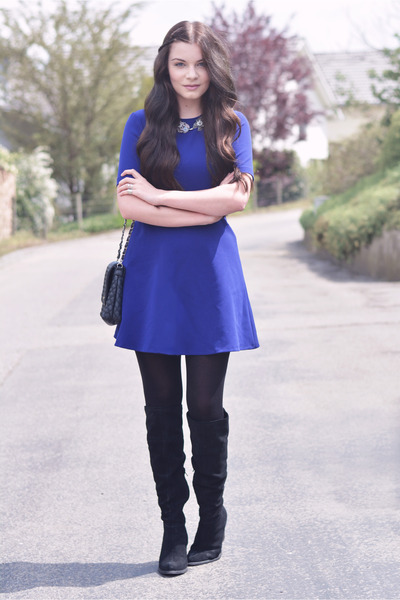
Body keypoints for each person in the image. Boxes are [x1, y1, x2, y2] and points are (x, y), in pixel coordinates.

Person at [115, 20, 259, 577]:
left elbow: (237, 200)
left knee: (204, 407)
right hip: (153, 281)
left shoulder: (231, 123)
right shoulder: (141, 123)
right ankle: (173, 528)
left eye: (200, 63)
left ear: (212, 66)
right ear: (165, 67)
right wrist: (194, 205)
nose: (191, 74)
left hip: (210, 279)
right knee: (160, 411)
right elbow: (128, 207)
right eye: (180, 63)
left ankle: (212, 516)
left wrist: (159, 197)